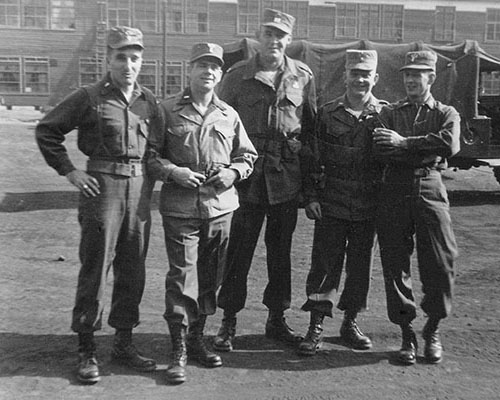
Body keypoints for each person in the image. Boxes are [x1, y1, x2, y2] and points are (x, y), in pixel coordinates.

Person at [35, 26, 161, 383]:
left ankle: (124, 342)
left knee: (133, 268)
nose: (128, 64)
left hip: (139, 190)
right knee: (96, 267)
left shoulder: (148, 102)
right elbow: (48, 130)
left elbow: (159, 147)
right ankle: (87, 347)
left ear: (141, 62)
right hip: (101, 188)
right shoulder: (89, 96)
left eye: (134, 58)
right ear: (108, 59)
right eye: (121, 56)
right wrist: (70, 172)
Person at [147, 43, 257, 384]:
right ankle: (177, 347)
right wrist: (172, 172)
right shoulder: (166, 110)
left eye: (214, 67)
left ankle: (197, 338)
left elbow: (247, 156)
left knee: (211, 277)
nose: (208, 72)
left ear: (221, 75)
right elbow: (149, 156)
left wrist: (233, 173)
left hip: (221, 208)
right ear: (190, 70)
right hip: (181, 208)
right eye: (201, 66)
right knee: (183, 276)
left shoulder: (229, 114)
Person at [214, 8, 317, 352]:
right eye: (268, 34)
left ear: (289, 41)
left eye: (280, 36)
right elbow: (219, 123)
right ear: (259, 37)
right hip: (246, 181)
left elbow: (311, 130)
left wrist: (309, 183)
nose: (274, 41)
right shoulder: (238, 75)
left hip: (285, 180)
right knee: (238, 254)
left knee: (280, 255)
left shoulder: (302, 76)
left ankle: (277, 318)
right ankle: (228, 320)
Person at [373, 50, 460, 365]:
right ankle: (406, 333)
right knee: (395, 264)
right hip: (394, 189)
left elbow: (449, 144)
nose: (411, 79)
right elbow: (381, 149)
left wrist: (405, 144)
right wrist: (423, 147)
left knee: (441, 260)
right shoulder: (390, 114)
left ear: (431, 78)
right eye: (407, 74)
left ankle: (432, 328)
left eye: (418, 74)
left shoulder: (446, 112)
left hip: (430, 186)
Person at [297, 50, 387, 356]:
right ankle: (316, 325)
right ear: (345, 76)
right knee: (324, 265)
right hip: (332, 202)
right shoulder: (327, 113)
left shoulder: (385, 115)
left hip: (368, 204)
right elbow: (311, 156)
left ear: (375, 78)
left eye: (366, 74)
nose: (360, 80)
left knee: (360, 267)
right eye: (354, 73)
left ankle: (350, 322)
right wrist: (310, 196)